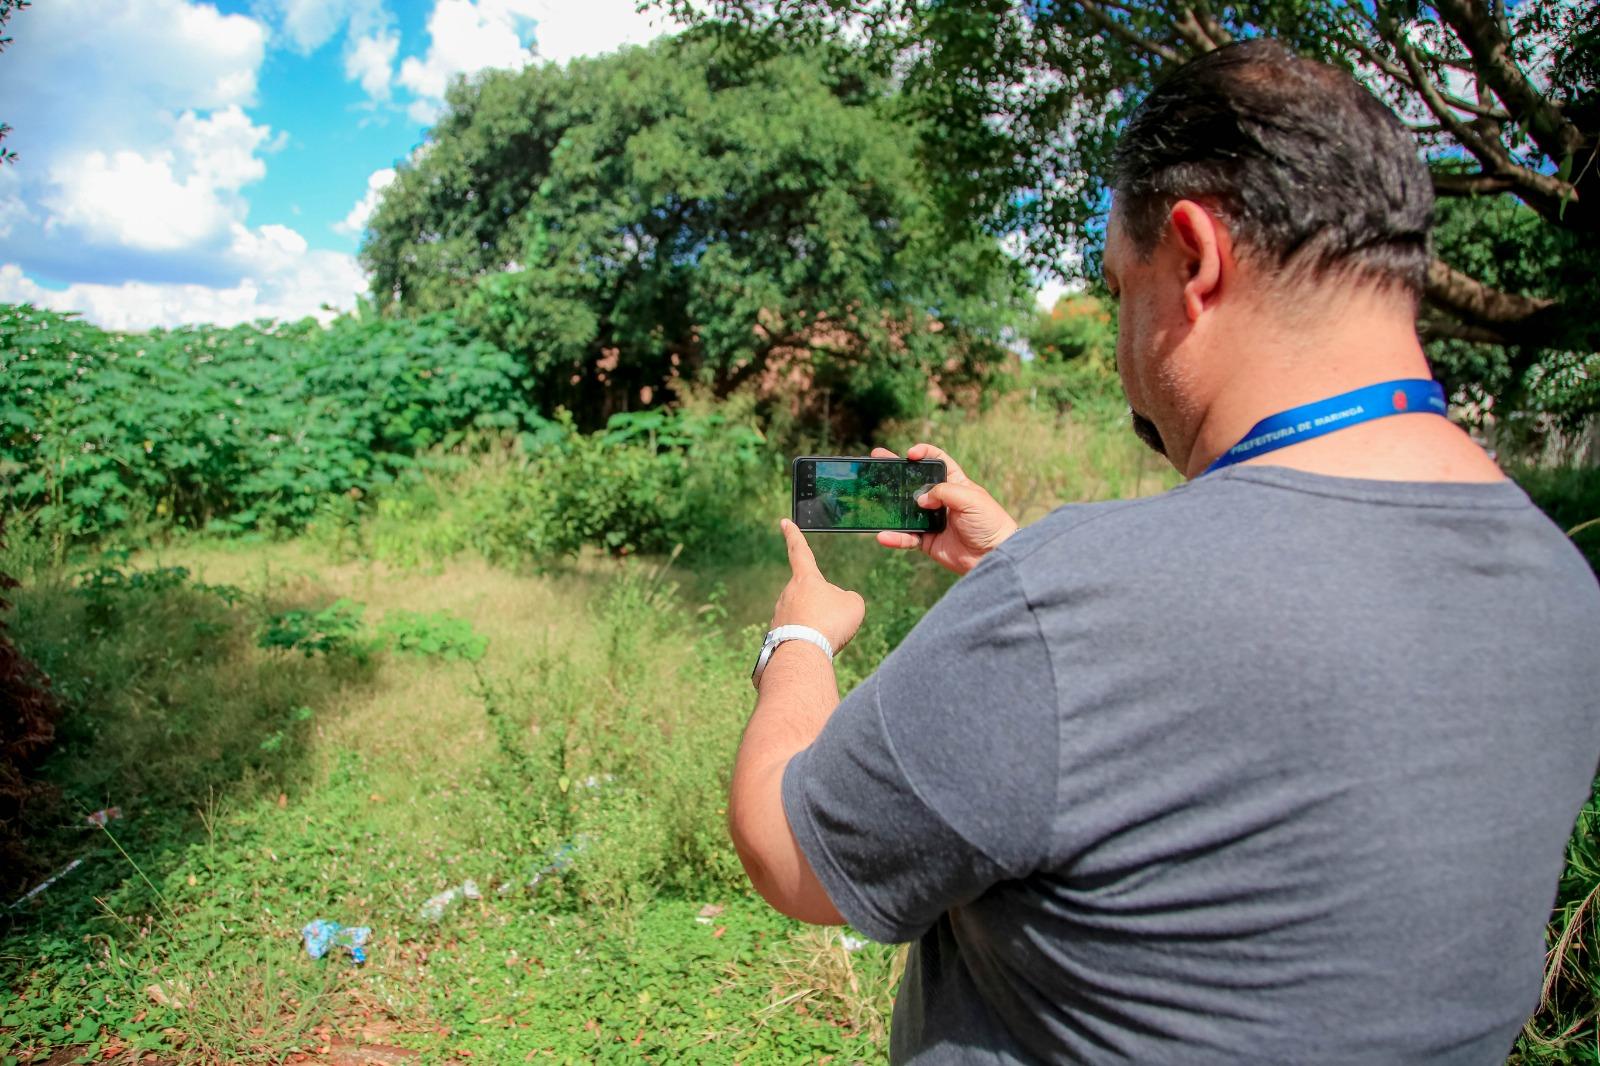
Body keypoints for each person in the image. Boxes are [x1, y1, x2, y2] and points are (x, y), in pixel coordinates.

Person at [729, 38, 1600, 1065]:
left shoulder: (1075, 606)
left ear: (1193, 256)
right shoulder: (1561, 583)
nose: (1120, 345)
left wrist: (799, 639)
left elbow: (794, 858)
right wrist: (1023, 565)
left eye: (1115, 285)